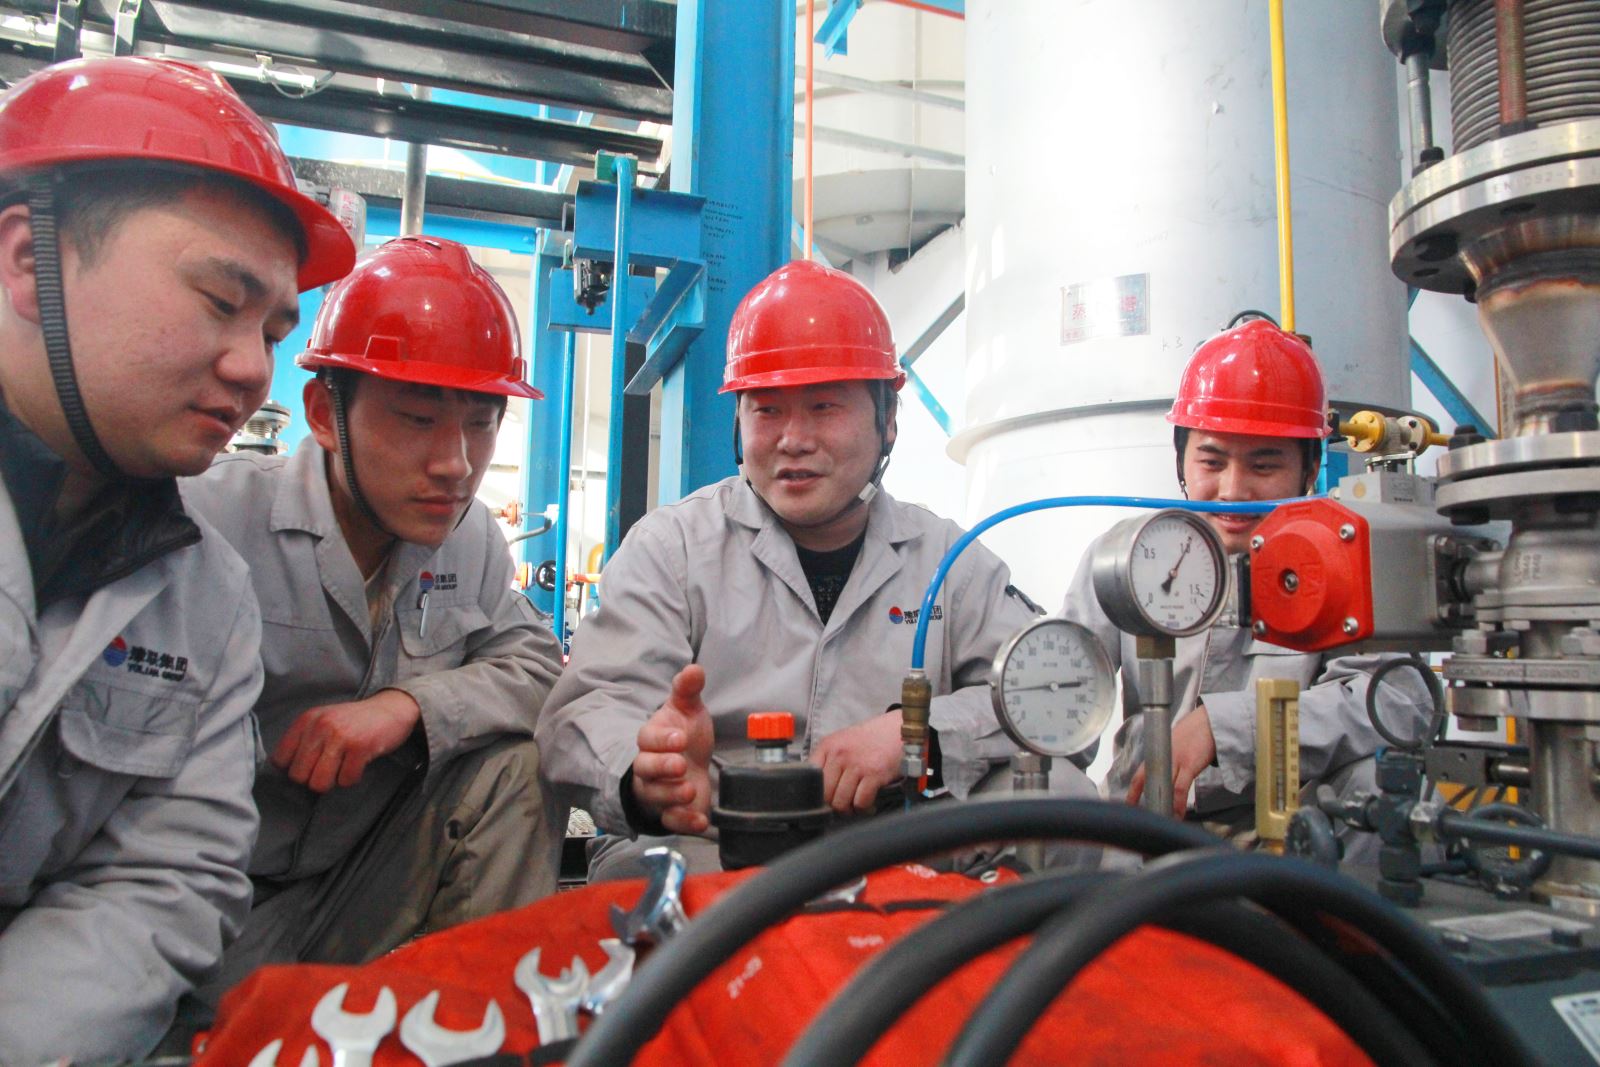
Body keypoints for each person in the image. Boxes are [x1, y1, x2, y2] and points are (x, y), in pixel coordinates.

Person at [0, 56, 355, 1061]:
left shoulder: (205, 594)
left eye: (272, 329)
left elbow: (161, 880)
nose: (251, 368)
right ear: (28, 262)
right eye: (218, 299)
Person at [537, 259, 1096, 881]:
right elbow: (586, 710)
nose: (793, 439)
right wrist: (648, 775)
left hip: (899, 841)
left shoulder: (949, 562)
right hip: (717, 842)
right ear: (738, 421)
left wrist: (921, 736)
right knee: (635, 876)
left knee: (1064, 802)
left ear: (887, 420)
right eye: (767, 410)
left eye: (824, 406)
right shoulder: (673, 550)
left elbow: (1060, 701)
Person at [182, 236, 564, 994]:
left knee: (516, 767)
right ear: (324, 414)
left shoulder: (470, 539)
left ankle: (474, 1022)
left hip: (357, 879)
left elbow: (538, 666)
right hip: (207, 897)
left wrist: (408, 708)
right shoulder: (212, 521)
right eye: (418, 419)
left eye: (481, 422)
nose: (455, 463)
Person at [1059, 316, 1432, 850]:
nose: (1233, 490)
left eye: (1264, 464)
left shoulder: (1346, 556)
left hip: (1290, 830)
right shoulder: (1125, 555)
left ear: (1309, 470)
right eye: (1212, 461)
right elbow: (1060, 697)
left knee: (1382, 784)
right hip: (1142, 819)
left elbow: (1399, 702)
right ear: (1181, 460)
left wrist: (1226, 727)